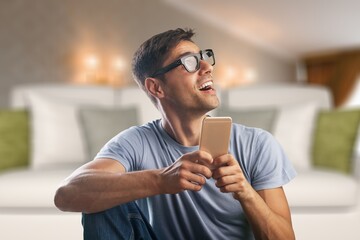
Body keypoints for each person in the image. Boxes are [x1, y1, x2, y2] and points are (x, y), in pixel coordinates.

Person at [54, 28, 297, 240]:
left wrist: (246, 192)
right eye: (190, 61)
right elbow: (66, 194)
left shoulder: (257, 144)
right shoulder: (135, 142)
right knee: (98, 198)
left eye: (205, 57)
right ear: (156, 87)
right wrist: (160, 180)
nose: (207, 66)